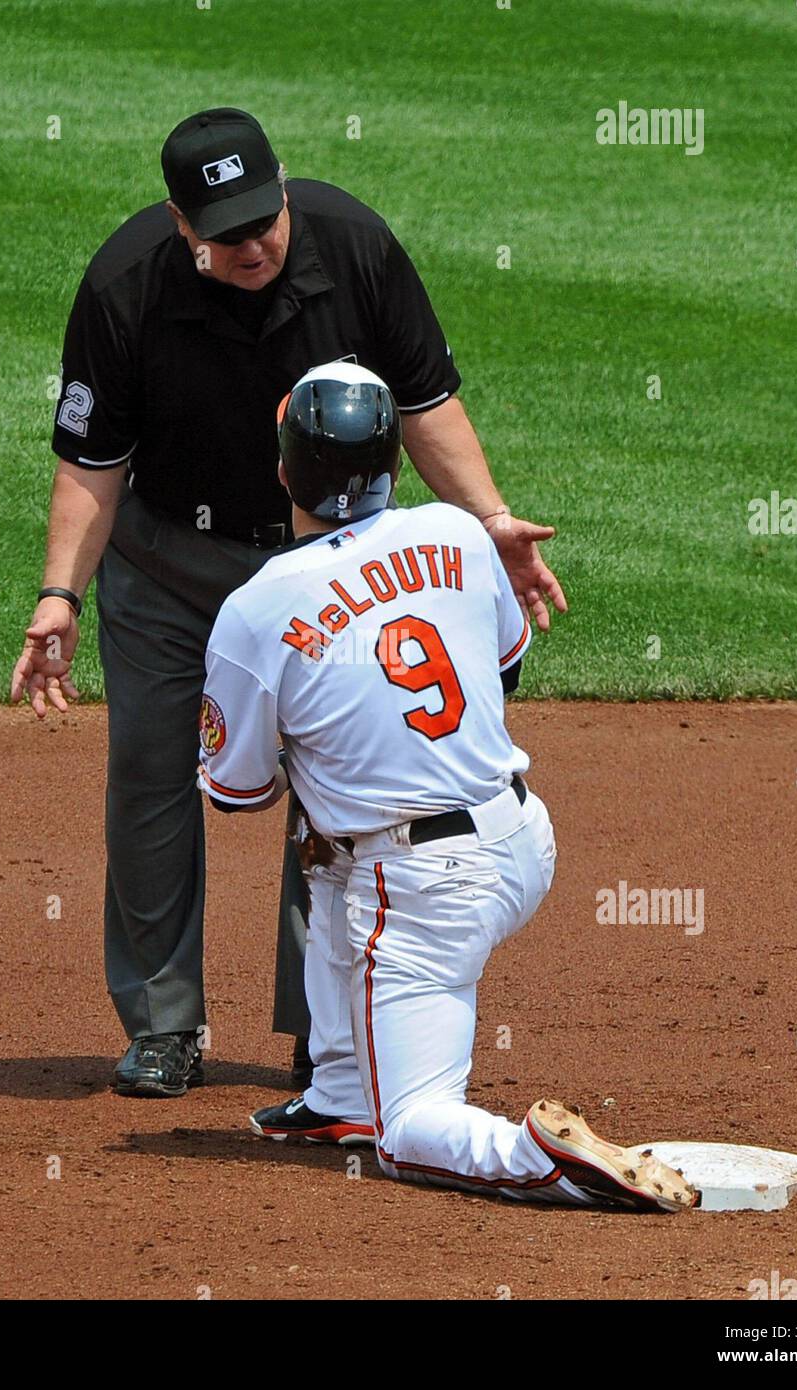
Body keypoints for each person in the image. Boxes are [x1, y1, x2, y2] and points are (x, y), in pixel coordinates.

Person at [11, 106, 567, 1101]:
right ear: (183, 229)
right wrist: (60, 594)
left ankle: (325, 1028)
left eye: (264, 217)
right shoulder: (123, 286)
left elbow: (426, 401)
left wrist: (488, 519)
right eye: (226, 232)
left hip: (321, 568)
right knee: (148, 776)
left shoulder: (351, 246)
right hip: (168, 565)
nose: (255, 242)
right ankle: (162, 1023)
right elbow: (92, 464)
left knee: (336, 789)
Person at [198, 361, 697, 1213]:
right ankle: (340, 1095)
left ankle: (538, 1155)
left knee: (413, 1128)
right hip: (522, 839)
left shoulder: (255, 607)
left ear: (282, 471)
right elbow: (502, 665)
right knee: (330, 847)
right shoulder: (462, 534)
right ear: (395, 466)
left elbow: (237, 791)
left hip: (427, 894)